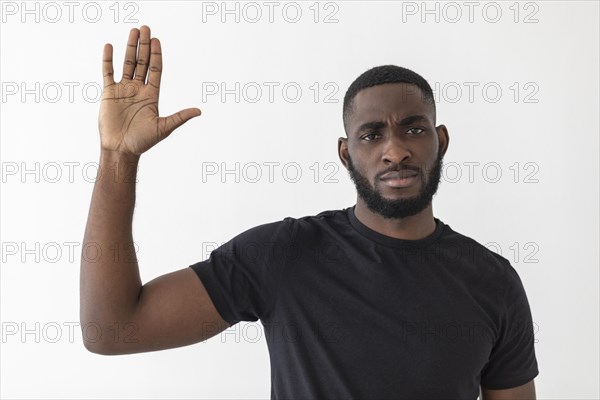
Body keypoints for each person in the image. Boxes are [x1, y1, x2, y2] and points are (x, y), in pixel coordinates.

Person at [80, 25, 539, 400]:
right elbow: (113, 330)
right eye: (371, 135)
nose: (394, 150)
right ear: (344, 153)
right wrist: (118, 157)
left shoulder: (493, 282)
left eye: (413, 129)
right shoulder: (283, 254)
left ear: (440, 140)